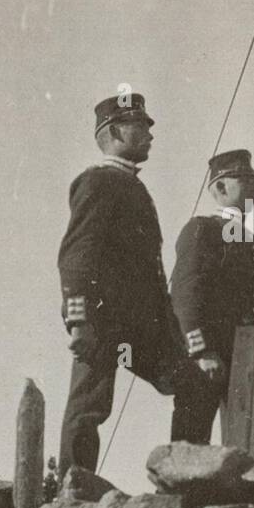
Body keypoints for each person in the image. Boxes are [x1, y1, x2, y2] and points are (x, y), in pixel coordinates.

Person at [57, 93, 185, 475]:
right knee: (89, 407)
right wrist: (78, 319)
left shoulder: (132, 186)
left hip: (143, 328)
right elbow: (77, 254)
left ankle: (185, 476)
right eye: (139, 126)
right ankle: (73, 495)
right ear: (114, 131)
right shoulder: (98, 182)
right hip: (104, 321)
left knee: (193, 385)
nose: (149, 133)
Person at [170, 149, 254, 443]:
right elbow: (185, 294)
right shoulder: (203, 229)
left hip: (246, 360)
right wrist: (201, 351)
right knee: (190, 447)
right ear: (220, 187)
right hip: (206, 359)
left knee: (245, 447)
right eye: (245, 179)